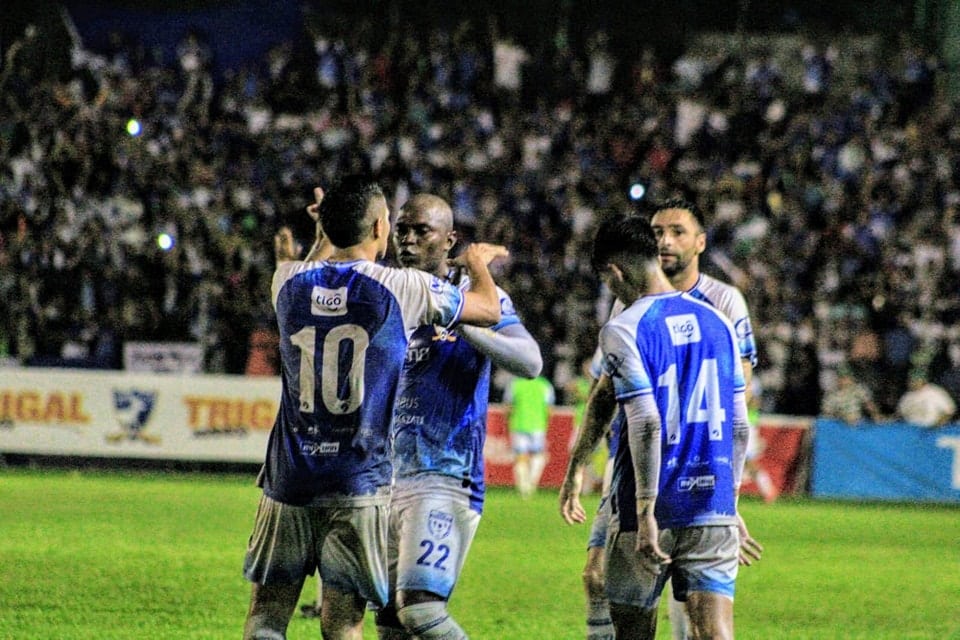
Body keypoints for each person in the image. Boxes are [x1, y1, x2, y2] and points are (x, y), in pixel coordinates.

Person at [241, 176, 508, 640]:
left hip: (289, 477)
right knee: (343, 624)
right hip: (359, 482)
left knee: (266, 619)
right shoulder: (401, 287)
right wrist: (478, 263)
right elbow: (487, 310)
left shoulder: (286, 279)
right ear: (381, 228)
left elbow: (314, 268)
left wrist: (323, 234)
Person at [560, 199, 762, 640]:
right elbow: (739, 423)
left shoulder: (625, 325)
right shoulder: (719, 322)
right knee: (716, 633)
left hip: (647, 498)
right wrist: (730, 499)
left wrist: (646, 508)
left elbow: (646, 422)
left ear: (614, 272)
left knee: (632, 630)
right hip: (711, 498)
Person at [374, 193, 543, 639]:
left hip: (444, 473)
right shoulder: (388, 293)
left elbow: (530, 362)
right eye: (402, 230)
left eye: (421, 231)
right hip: (386, 475)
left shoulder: (478, 297)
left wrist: (461, 320)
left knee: (422, 612)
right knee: (389, 622)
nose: (407, 241)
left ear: (449, 240)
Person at [504, 373, 556, 497]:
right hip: (538, 426)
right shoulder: (545, 385)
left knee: (521, 456)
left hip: (519, 424)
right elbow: (550, 410)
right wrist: (546, 422)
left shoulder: (515, 384)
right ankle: (532, 484)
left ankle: (523, 488)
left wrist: (507, 420)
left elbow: (508, 407)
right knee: (538, 455)